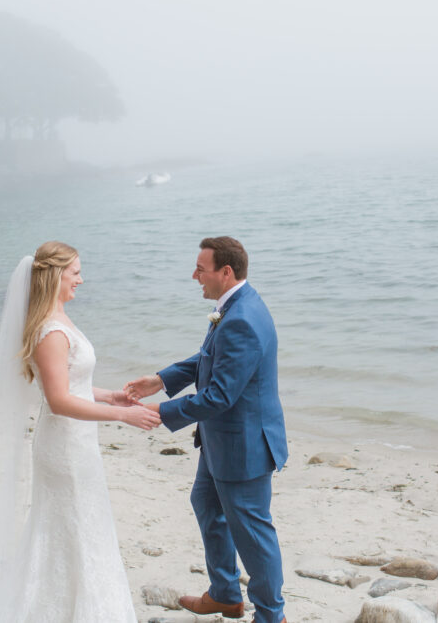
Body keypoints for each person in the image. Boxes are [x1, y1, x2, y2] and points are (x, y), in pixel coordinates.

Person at [0, 241, 159, 622]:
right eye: (75, 272)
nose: (81, 279)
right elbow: (59, 400)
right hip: (64, 447)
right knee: (74, 530)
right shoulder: (51, 331)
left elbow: (71, 384)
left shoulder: (60, 321)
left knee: (80, 528)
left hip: (76, 443)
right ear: (55, 275)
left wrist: (110, 396)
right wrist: (121, 417)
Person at [126, 236, 289, 623]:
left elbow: (219, 396)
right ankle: (225, 594)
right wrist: (161, 379)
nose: (194, 275)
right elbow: (209, 358)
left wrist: (160, 412)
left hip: (243, 446)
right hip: (221, 440)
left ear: (226, 272)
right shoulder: (235, 307)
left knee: (253, 532)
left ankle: (271, 616)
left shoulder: (243, 320)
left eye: (201, 269)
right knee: (206, 504)